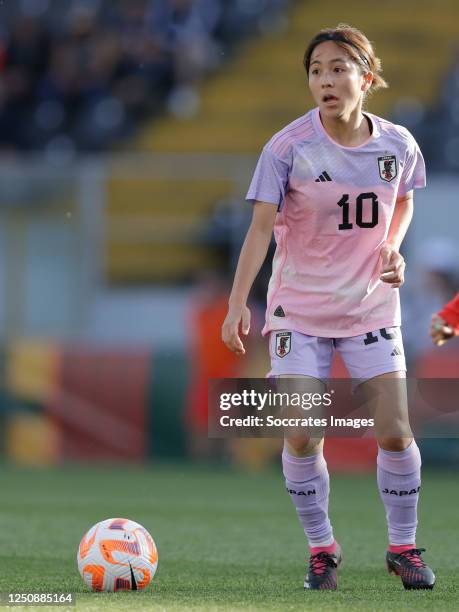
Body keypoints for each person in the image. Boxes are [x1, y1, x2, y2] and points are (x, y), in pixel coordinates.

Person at [221, 24, 435, 591]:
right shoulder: (287, 147)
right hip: (298, 313)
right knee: (300, 435)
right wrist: (238, 302)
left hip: (370, 309)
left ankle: (404, 547)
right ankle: (322, 550)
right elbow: (260, 229)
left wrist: (393, 243)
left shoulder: (399, 143)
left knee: (394, 431)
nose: (325, 80)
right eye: (316, 70)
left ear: (366, 77)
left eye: (338, 68)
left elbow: (404, 201)